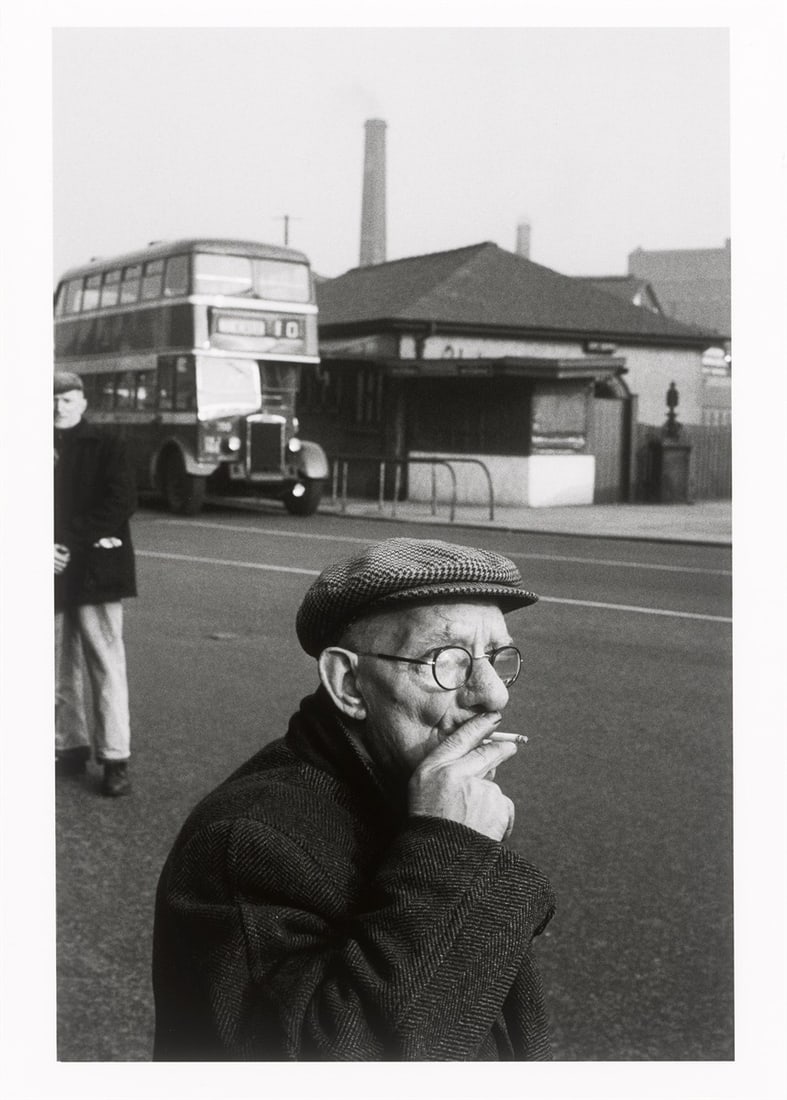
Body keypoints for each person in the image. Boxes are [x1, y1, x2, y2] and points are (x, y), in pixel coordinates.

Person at [152, 537, 556, 1060]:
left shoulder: (418, 792)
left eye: (497, 657)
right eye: (447, 659)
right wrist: (452, 850)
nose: (493, 693)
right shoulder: (245, 842)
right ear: (348, 684)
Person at [54, 370, 137, 797]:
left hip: (94, 569)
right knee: (55, 666)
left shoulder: (107, 443)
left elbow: (122, 500)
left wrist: (65, 542)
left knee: (105, 664)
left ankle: (114, 758)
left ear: (83, 402)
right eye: (52, 400)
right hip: (52, 568)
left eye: (66, 399)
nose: (57, 407)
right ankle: (69, 746)